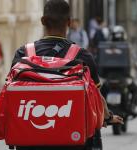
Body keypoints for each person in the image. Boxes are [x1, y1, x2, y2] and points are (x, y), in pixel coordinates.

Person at [11, 0, 123, 149]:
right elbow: (96, 96)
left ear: (43, 21)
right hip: (73, 142)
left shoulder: (23, 53)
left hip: (30, 141)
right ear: (69, 22)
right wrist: (108, 117)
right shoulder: (82, 56)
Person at [101, 26, 137, 117]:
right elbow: (134, 60)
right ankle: (132, 107)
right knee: (136, 90)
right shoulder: (127, 48)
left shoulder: (106, 47)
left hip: (108, 77)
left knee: (100, 92)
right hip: (123, 77)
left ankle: (99, 109)